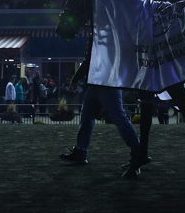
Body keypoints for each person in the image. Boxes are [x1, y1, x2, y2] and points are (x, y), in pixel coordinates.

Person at [58, 39, 145, 178]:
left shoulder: (101, 35)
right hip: (103, 83)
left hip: (103, 83)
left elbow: (89, 61)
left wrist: (76, 78)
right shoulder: (108, 34)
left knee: (109, 118)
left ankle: (138, 152)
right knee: (92, 118)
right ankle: (138, 152)